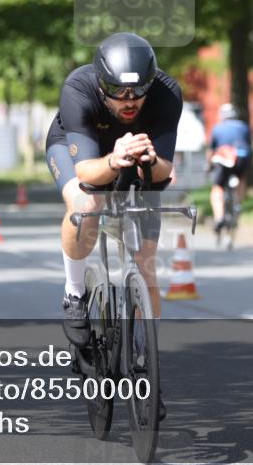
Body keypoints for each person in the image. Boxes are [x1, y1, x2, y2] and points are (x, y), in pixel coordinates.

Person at [45, 33, 181, 416]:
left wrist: (150, 160)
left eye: (137, 93)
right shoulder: (79, 87)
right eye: (117, 92)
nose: (129, 101)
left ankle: (146, 369)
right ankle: (75, 293)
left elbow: (166, 170)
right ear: (101, 83)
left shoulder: (168, 93)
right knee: (86, 203)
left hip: (138, 155)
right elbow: (86, 169)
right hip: (82, 149)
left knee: (147, 264)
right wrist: (115, 159)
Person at [208, 103, 251, 232]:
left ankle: (219, 217)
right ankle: (238, 204)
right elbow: (248, 144)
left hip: (224, 160)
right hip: (241, 157)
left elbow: (211, 151)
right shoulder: (243, 126)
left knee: (217, 188)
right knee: (241, 179)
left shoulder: (217, 128)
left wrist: (209, 165)